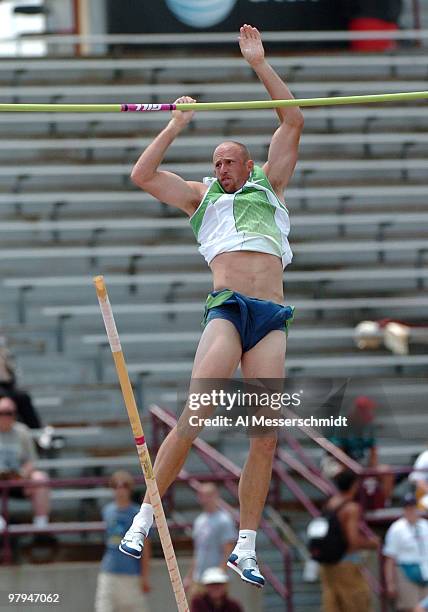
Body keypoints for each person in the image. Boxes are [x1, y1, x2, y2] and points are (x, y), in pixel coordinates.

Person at [119, 24, 304, 589]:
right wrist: (175, 124)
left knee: (265, 434)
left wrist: (258, 63)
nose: (220, 168)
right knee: (196, 415)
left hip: (270, 315)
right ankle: (146, 516)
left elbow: (292, 121)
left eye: (229, 162)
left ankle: (244, 546)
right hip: (229, 308)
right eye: (216, 162)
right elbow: (142, 175)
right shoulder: (202, 198)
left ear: (247, 166)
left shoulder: (269, 186)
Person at [318, 470, 379, 612]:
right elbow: (353, 541)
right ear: (354, 485)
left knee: (332, 604)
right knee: (357, 604)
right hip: (347, 564)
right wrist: (372, 543)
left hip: (328, 564)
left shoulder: (330, 503)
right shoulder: (351, 508)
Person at [95, 470, 151, 612]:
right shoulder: (107, 511)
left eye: (124, 486)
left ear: (130, 489)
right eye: (116, 486)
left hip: (131, 574)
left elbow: (146, 547)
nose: (120, 490)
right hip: (109, 572)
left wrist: (144, 577)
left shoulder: (138, 513)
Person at [328, 395, 394, 508]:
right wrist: (355, 470)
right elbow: (338, 453)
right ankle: (347, 502)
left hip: (359, 463)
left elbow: (373, 452)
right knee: (350, 475)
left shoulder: (368, 426)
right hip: (337, 462)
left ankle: (383, 503)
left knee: (386, 472)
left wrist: (371, 471)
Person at [0, 394, 50, 528]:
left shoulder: (22, 431)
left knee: (40, 478)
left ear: (15, 414)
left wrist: (22, 474)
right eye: (2, 413)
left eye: (9, 413)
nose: (5, 416)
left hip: (19, 479)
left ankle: (41, 523)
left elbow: (32, 460)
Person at [183, 483, 236, 597]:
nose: (206, 499)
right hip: (199, 577)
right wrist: (189, 576)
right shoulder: (199, 521)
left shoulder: (224, 520)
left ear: (216, 496)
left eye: (209, 495)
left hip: (216, 579)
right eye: (202, 495)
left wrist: (220, 576)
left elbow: (228, 550)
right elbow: (198, 552)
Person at [384, 493, 428, 612]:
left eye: (413, 507)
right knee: (409, 608)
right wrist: (390, 583)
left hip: (425, 571)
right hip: (406, 572)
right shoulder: (396, 528)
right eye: (408, 508)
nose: (410, 511)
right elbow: (390, 558)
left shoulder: (425, 525)